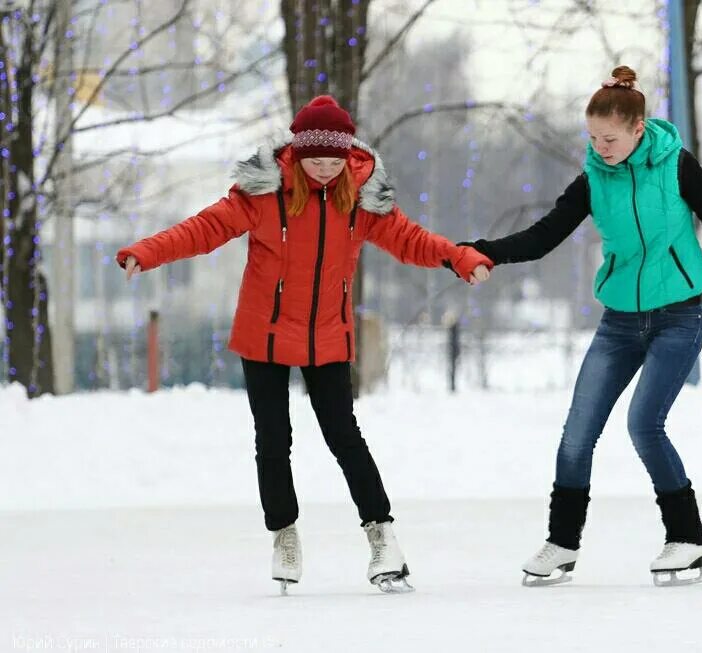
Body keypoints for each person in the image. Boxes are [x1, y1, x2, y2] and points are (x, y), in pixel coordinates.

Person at [116, 95, 493, 594]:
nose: (324, 169)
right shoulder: (262, 194)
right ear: (295, 153)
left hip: (327, 337)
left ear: (346, 157)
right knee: (273, 439)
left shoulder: (361, 200)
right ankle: (285, 535)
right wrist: (146, 251)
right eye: (315, 159)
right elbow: (203, 230)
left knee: (344, 437)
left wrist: (458, 257)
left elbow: (411, 240)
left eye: (334, 160)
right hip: (264, 335)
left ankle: (382, 537)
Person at [461, 66, 702, 587]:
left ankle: (688, 540)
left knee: (643, 424)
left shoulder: (676, 165)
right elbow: (544, 237)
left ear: (637, 129)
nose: (600, 147)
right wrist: (485, 251)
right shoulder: (592, 181)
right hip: (620, 323)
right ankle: (561, 544)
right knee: (577, 432)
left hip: (679, 315)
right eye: (592, 138)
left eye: (609, 138)